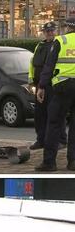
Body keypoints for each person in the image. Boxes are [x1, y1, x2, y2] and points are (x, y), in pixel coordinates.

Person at [36, 18, 75, 171]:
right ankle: (73, 162)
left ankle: (49, 163)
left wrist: (41, 86)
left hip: (63, 87)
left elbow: (49, 65)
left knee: (54, 123)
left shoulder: (61, 41)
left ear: (67, 28)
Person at [28, 21, 64, 150]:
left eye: (52, 31)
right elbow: (33, 64)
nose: (49, 33)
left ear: (56, 31)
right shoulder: (40, 45)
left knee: (55, 114)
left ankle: (60, 140)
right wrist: (31, 80)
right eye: (47, 31)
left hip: (53, 85)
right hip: (40, 85)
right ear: (44, 32)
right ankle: (41, 140)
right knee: (40, 114)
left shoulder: (58, 44)